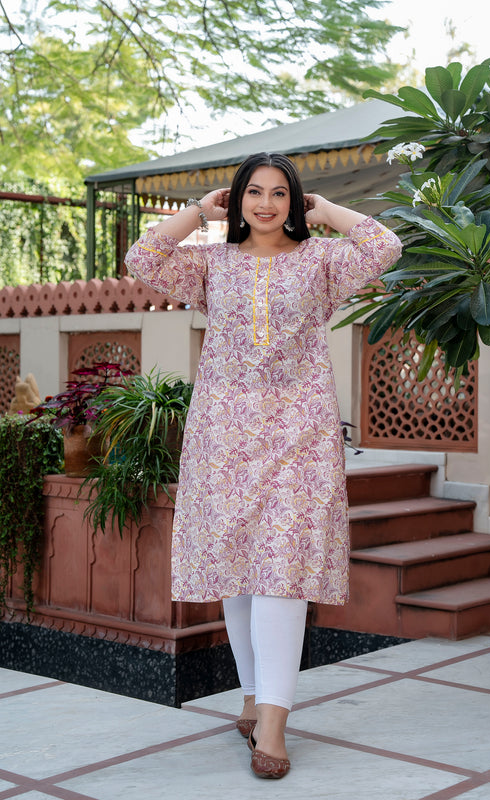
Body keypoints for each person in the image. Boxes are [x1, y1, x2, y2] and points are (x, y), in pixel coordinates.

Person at [125, 152, 401, 779]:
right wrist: (199, 211)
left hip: (300, 436)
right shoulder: (211, 264)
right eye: (254, 192)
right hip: (223, 437)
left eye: (281, 193)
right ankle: (251, 697)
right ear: (238, 200)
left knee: (283, 571)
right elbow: (142, 258)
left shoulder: (322, 261)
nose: (267, 204)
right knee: (239, 568)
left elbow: (385, 245)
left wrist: (327, 212)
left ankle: (273, 723)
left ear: (294, 201)